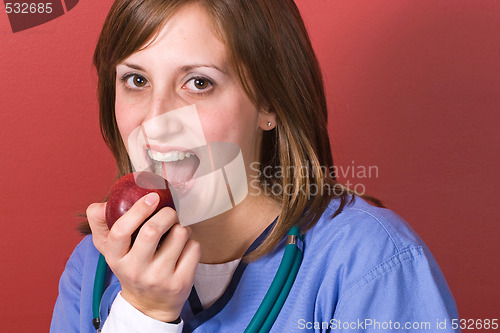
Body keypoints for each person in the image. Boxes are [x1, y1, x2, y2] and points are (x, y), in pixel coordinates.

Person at [50, 0, 460, 332]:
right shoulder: (94, 265)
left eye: (198, 82)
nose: (156, 121)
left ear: (269, 103)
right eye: (136, 80)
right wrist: (141, 315)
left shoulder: (370, 264)